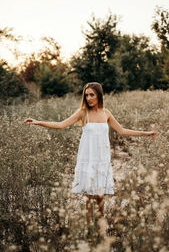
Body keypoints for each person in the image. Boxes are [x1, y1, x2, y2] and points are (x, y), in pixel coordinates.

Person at [23, 82, 156, 226]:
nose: (88, 98)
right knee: (90, 196)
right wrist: (37, 122)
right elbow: (61, 125)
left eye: (91, 94)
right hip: (88, 158)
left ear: (99, 95)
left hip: (102, 159)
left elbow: (122, 131)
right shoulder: (83, 113)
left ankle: (100, 228)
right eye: (86, 95)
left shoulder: (106, 113)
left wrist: (145, 133)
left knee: (100, 196)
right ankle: (88, 229)